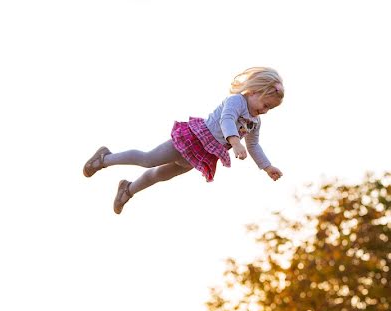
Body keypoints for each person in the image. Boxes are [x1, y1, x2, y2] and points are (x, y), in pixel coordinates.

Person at [83, 67, 285, 214]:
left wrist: (267, 167)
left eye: (270, 109)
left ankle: (128, 189)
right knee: (149, 159)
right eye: (265, 105)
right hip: (193, 140)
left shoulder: (255, 122)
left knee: (160, 175)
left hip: (203, 155)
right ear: (254, 91)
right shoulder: (236, 101)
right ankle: (104, 158)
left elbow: (254, 145)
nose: (265, 111)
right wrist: (235, 142)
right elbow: (227, 120)